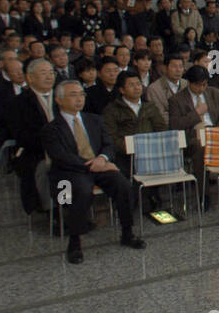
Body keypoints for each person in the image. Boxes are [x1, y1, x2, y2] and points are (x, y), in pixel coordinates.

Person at [44, 80, 147, 264]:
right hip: (71, 171)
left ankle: (127, 232)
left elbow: (108, 145)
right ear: (59, 100)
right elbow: (61, 156)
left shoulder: (94, 119)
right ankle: (74, 243)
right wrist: (93, 165)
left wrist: (102, 159)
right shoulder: (52, 128)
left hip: (100, 165)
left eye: (81, 95)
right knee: (81, 191)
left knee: (124, 185)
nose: (79, 99)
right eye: (73, 95)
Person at [168, 65, 219, 207]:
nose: (202, 88)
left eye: (204, 84)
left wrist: (218, 132)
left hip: (214, 133)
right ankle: (204, 194)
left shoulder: (215, 93)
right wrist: (196, 113)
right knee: (200, 147)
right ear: (189, 83)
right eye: (198, 85)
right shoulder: (176, 100)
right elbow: (175, 124)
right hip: (193, 137)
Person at [8, 58, 58, 215]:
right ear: (30, 78)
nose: (49, 76)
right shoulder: (19, 102)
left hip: (66, 149)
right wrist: (51, 144)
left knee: (69, 167)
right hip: (35, 151)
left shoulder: (63, 96)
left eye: (51, 72)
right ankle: (53, 211)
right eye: (43, 73)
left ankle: (66, 207)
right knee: (47, 168)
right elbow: (21, 135)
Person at [100, 70, 168, 179]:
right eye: (131, 85)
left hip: (150, 152)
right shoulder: (112, 110)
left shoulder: (150, 106)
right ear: (122, 90)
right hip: (125, 154)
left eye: (138, 84)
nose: (137, 88)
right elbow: (111, 136)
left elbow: (161, 129)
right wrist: (132, 148)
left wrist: (152, 147)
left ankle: (152, 194)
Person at [144, 54, 187, 126]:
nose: (178, 70)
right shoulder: (154, 89)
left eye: (181, 66)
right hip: (166, 129)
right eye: (174, 66)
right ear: (164, 68)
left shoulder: (187, 84)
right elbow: (159, 116)